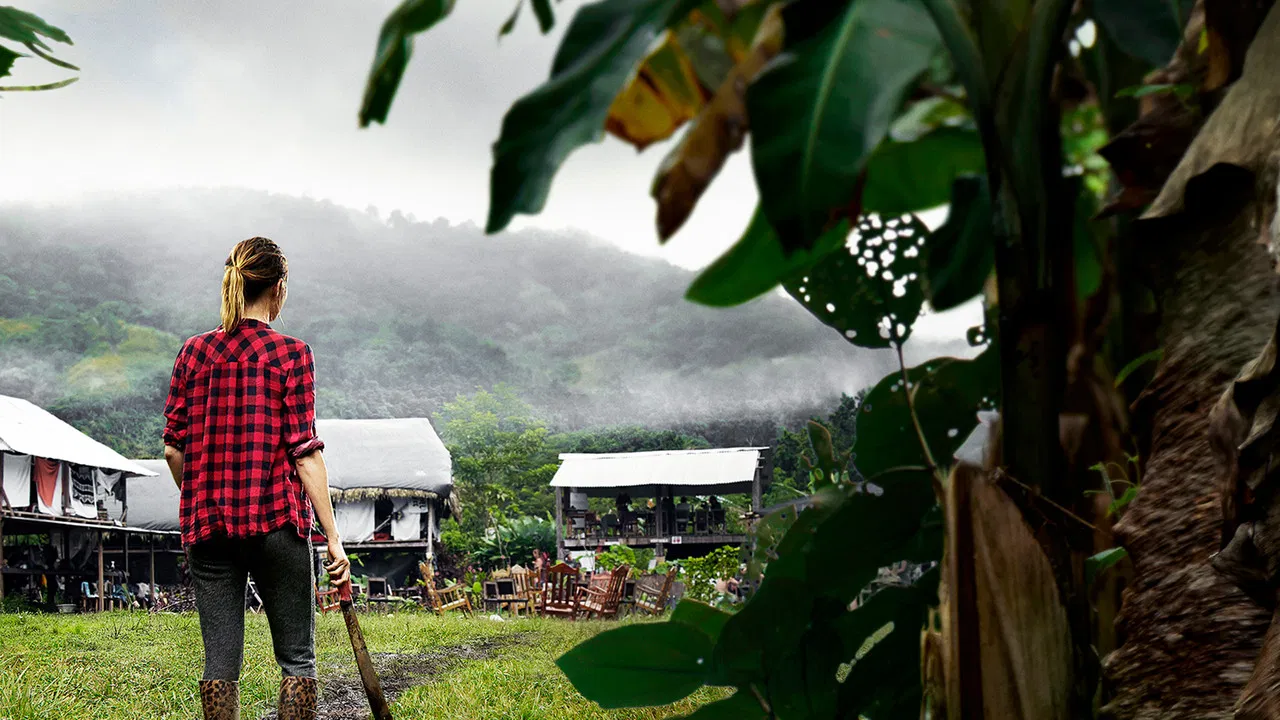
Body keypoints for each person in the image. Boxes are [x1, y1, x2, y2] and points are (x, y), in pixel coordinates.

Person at [163, 237, 349, 720]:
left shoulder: (194, 353)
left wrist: (203, 497)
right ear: (279, 288)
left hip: (208, 530)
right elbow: (305, 455)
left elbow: (172, 447)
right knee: (296, 659)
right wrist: (333, 539)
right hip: (276, 525)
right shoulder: (291, 354)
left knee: (220, 664)